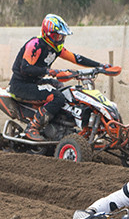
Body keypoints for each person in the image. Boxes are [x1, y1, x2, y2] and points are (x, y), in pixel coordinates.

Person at [9, 13, 110, 141]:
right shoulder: (35, 44)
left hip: (35, 82)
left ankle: (59, 124)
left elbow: (76, 58)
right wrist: (50, 71)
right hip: (20, 85)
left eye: (61, 36)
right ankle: (32, 127)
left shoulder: (57, 48)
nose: (59, 39)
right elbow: (25, 67)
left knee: (62, 88)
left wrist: (100, 66)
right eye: (56, 36)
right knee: (57, 97)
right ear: (47, 33)